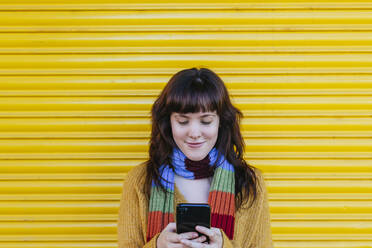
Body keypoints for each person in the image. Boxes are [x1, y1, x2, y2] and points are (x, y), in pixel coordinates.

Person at [117, 68, 273, 248]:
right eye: (183, 121)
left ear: (221, 122)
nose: (194, 133)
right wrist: (157, 245)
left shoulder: (249, 184)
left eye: (206, 121)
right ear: (168, 123)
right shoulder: (139, 181)